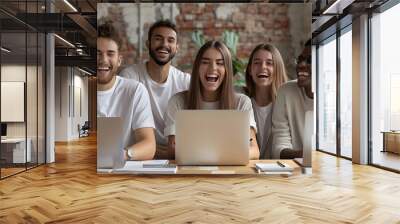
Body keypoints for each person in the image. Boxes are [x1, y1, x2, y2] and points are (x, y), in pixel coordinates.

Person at [164, 40, 260, 160]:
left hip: (230, 172)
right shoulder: (177, 102)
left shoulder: (242, 102)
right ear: (197, 67)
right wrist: (227, 153)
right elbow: (173, 150)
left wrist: (212, 155)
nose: (212, 68)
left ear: (227, 70)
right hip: (190, 173)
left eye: (220, 63)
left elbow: (254, 150)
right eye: (205, 62)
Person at [119, 20, 190, 158]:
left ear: (176, 47)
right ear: (148, 44)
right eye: (158, 39)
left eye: (170, 40)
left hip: (176, 156)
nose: (164, 44)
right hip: (138, 156)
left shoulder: (185, 82)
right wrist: (151, 151)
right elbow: (124, 127)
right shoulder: (130, 77)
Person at [97, 22, 156, 161]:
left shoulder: (135, 90)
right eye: (97, 53)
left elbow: (149, 145)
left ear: (119, 60)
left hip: (121, 170)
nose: (103, 60)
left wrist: (121, 155)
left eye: (110, 54)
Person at [245, 44, 288, 159]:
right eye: (257, 63)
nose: (263, 67)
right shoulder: (241, 102)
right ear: (250, 69)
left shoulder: (286, 104)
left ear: (278, 69)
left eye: (269, 63)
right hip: (247, 170)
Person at [271, 42, 313, 159]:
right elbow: (278, 148)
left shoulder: (338, 98)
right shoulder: (286, 91)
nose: (301, 65)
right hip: (295, 171)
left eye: (309, 60)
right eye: (300, 60)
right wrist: (306, 156)